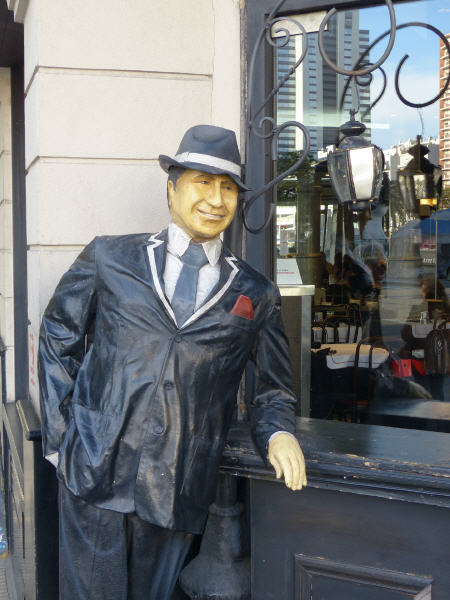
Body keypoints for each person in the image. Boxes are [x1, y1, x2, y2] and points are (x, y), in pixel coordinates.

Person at [39, 125, 306, 600]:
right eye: (202, 182)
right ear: (172, 189)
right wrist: (62, 441)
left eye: (228, 188)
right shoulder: (110, 257)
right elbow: (59, 333)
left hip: (178, 485)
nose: (216, 199)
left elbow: (274, 388)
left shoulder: (255, 292)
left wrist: (278, 432)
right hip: (93, 470)